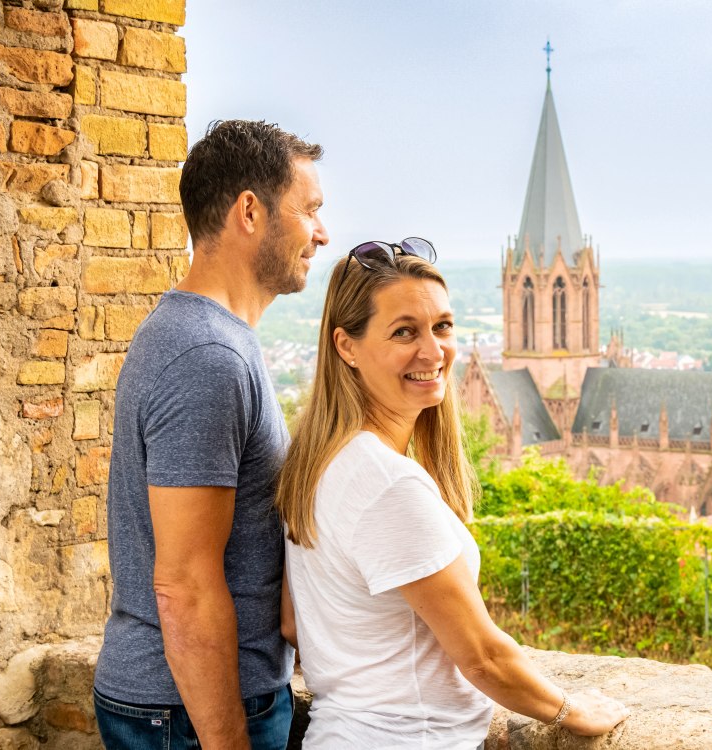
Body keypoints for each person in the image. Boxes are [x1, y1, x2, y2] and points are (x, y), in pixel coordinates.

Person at [277, 239, 629, 748]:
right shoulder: (389, 485)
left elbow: (294, 623)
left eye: (442, 326)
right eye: (404, 332)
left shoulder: (318, 459)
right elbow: (483, 657)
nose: (433, 350)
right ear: (345, 346)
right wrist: (572, 710)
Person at [94, 119, 328, 750]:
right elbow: (185, 584)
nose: (322, 234)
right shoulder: (205, 356)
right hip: (190, 715)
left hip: (183, 706)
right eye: (309, 211)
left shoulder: (209, 339)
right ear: (249, 212)